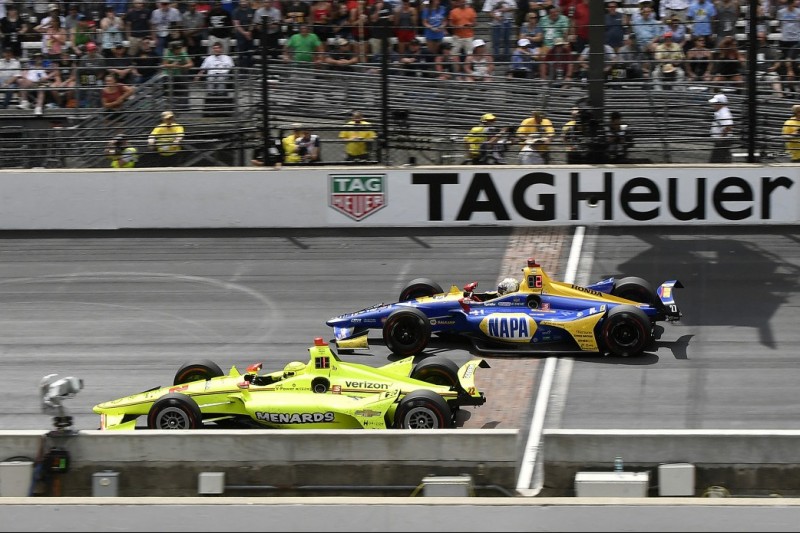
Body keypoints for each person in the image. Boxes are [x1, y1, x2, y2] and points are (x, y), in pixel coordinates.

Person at [708, 92, 734, 163]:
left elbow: (729, 126)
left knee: (715, 161)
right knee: (722, 159)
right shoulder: (721, 112)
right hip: (723, 140)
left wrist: (721, 137)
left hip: (723, 141)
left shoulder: (723, 113)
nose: (713, 105)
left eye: (715, 103)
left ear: (721, 104)